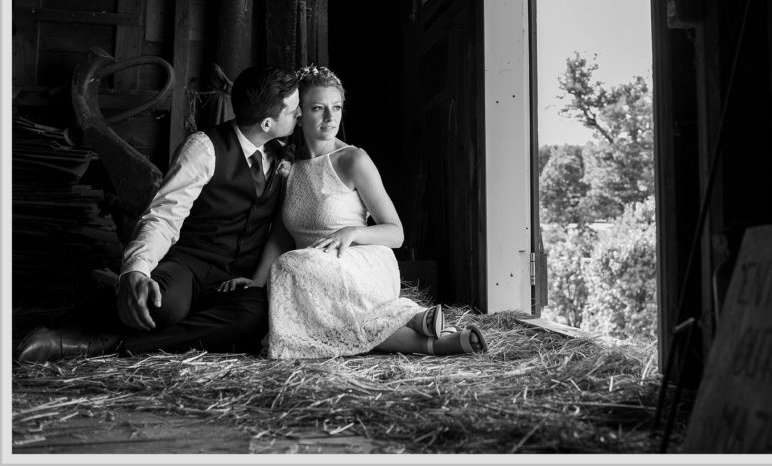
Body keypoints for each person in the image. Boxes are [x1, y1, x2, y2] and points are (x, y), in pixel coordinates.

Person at [16, 66, 302, 362]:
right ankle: (108, 304)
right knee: (159, 305)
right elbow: (163, 215)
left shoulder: (283, 156)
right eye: (293, 110)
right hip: (189, 264)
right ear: (267, 123)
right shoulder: (204, 149)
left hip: (233, 281)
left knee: (257, 317)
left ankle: (106, 342)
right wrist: (136, 271)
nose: (299, 115)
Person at [218, 65, 487, 358]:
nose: (331, 117)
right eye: (318, 108)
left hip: (361, 263)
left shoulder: (352, 160)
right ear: (298, 113)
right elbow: (282, 235)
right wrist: (257, 282)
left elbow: (396, 233)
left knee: (289, 266)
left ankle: (410, 318)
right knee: (293, 269)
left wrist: (353, 232)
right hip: (313, 276)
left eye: (336, 107)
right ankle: (430, 338)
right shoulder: (288, 165)